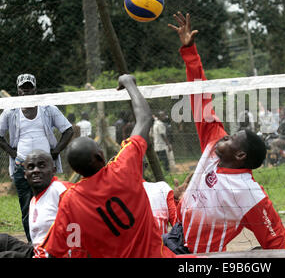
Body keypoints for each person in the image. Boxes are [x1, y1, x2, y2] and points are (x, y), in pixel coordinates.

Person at [166, 12, 285, 254]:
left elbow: (276, 241)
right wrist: (190, 51)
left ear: (240, 155)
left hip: (196, 256)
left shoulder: (249, 193)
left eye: (231, 138)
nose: (225, 136)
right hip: (174, 235)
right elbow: (200, 98)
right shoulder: (214, 144)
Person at [39, 74, 175, 258]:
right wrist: (129, 83)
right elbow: (144, 119)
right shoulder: (124, 167)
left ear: (76, 169)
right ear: (99, 156)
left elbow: (50, 251)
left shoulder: (70, 201)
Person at [0, 74, 74, 242]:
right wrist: (14, 155)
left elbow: (68, 130)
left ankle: (52, 242)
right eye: (23, 88)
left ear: (35, 89)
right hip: (22, 166)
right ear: (18, 91)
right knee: (27, 207)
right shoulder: (11, 111)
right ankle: (34, 246)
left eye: (29, 88)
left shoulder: (47, 108)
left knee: (51, 204)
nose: (26, 91)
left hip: (45, 167)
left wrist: (54, 153)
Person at [0, 150, 72, 258]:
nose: (36, 170)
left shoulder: (62, 191)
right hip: (37, 250)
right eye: (31, 167)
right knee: (2, 240)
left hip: (52, 255)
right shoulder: (34, 199)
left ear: (53, 170)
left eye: (42, 166)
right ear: (25, 174)